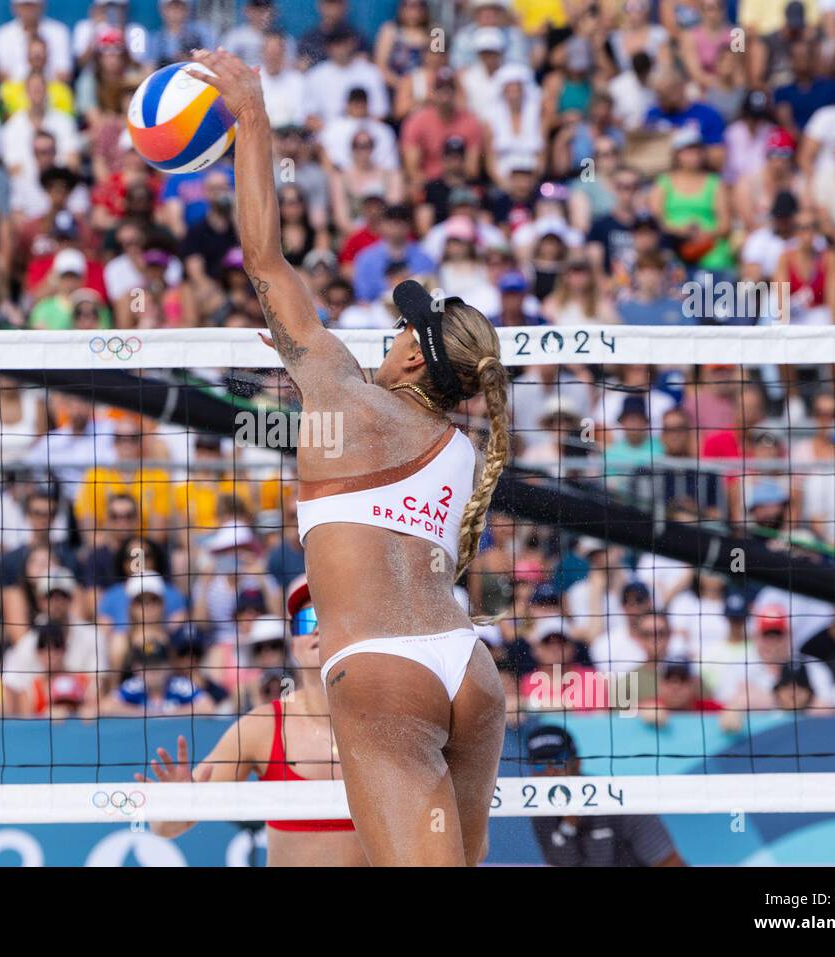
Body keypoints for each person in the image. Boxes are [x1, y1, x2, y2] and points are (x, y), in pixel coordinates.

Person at [191, 49, 507, 866]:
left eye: (406, 330)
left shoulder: (338, 391)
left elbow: (264, 258)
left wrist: (251, 118)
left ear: (413, 362)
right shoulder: (465, 450)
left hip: (378, 674)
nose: (394, 330)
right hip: (468, 672)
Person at [137, 577, 364, 866]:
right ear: (293, 645)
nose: (317, 626)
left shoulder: (393, 725)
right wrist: (175, 804)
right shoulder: (262, 727)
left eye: (327, 615)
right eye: (305, 620)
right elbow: (166, 827)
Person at [527, 725, 686, 866]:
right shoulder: (538, 807)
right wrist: (569, 826)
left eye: (557, 762)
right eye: (539, 764)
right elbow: (560, 862)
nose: (549, 771)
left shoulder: (622, 800)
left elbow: (670, 862)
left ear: (577, 763)